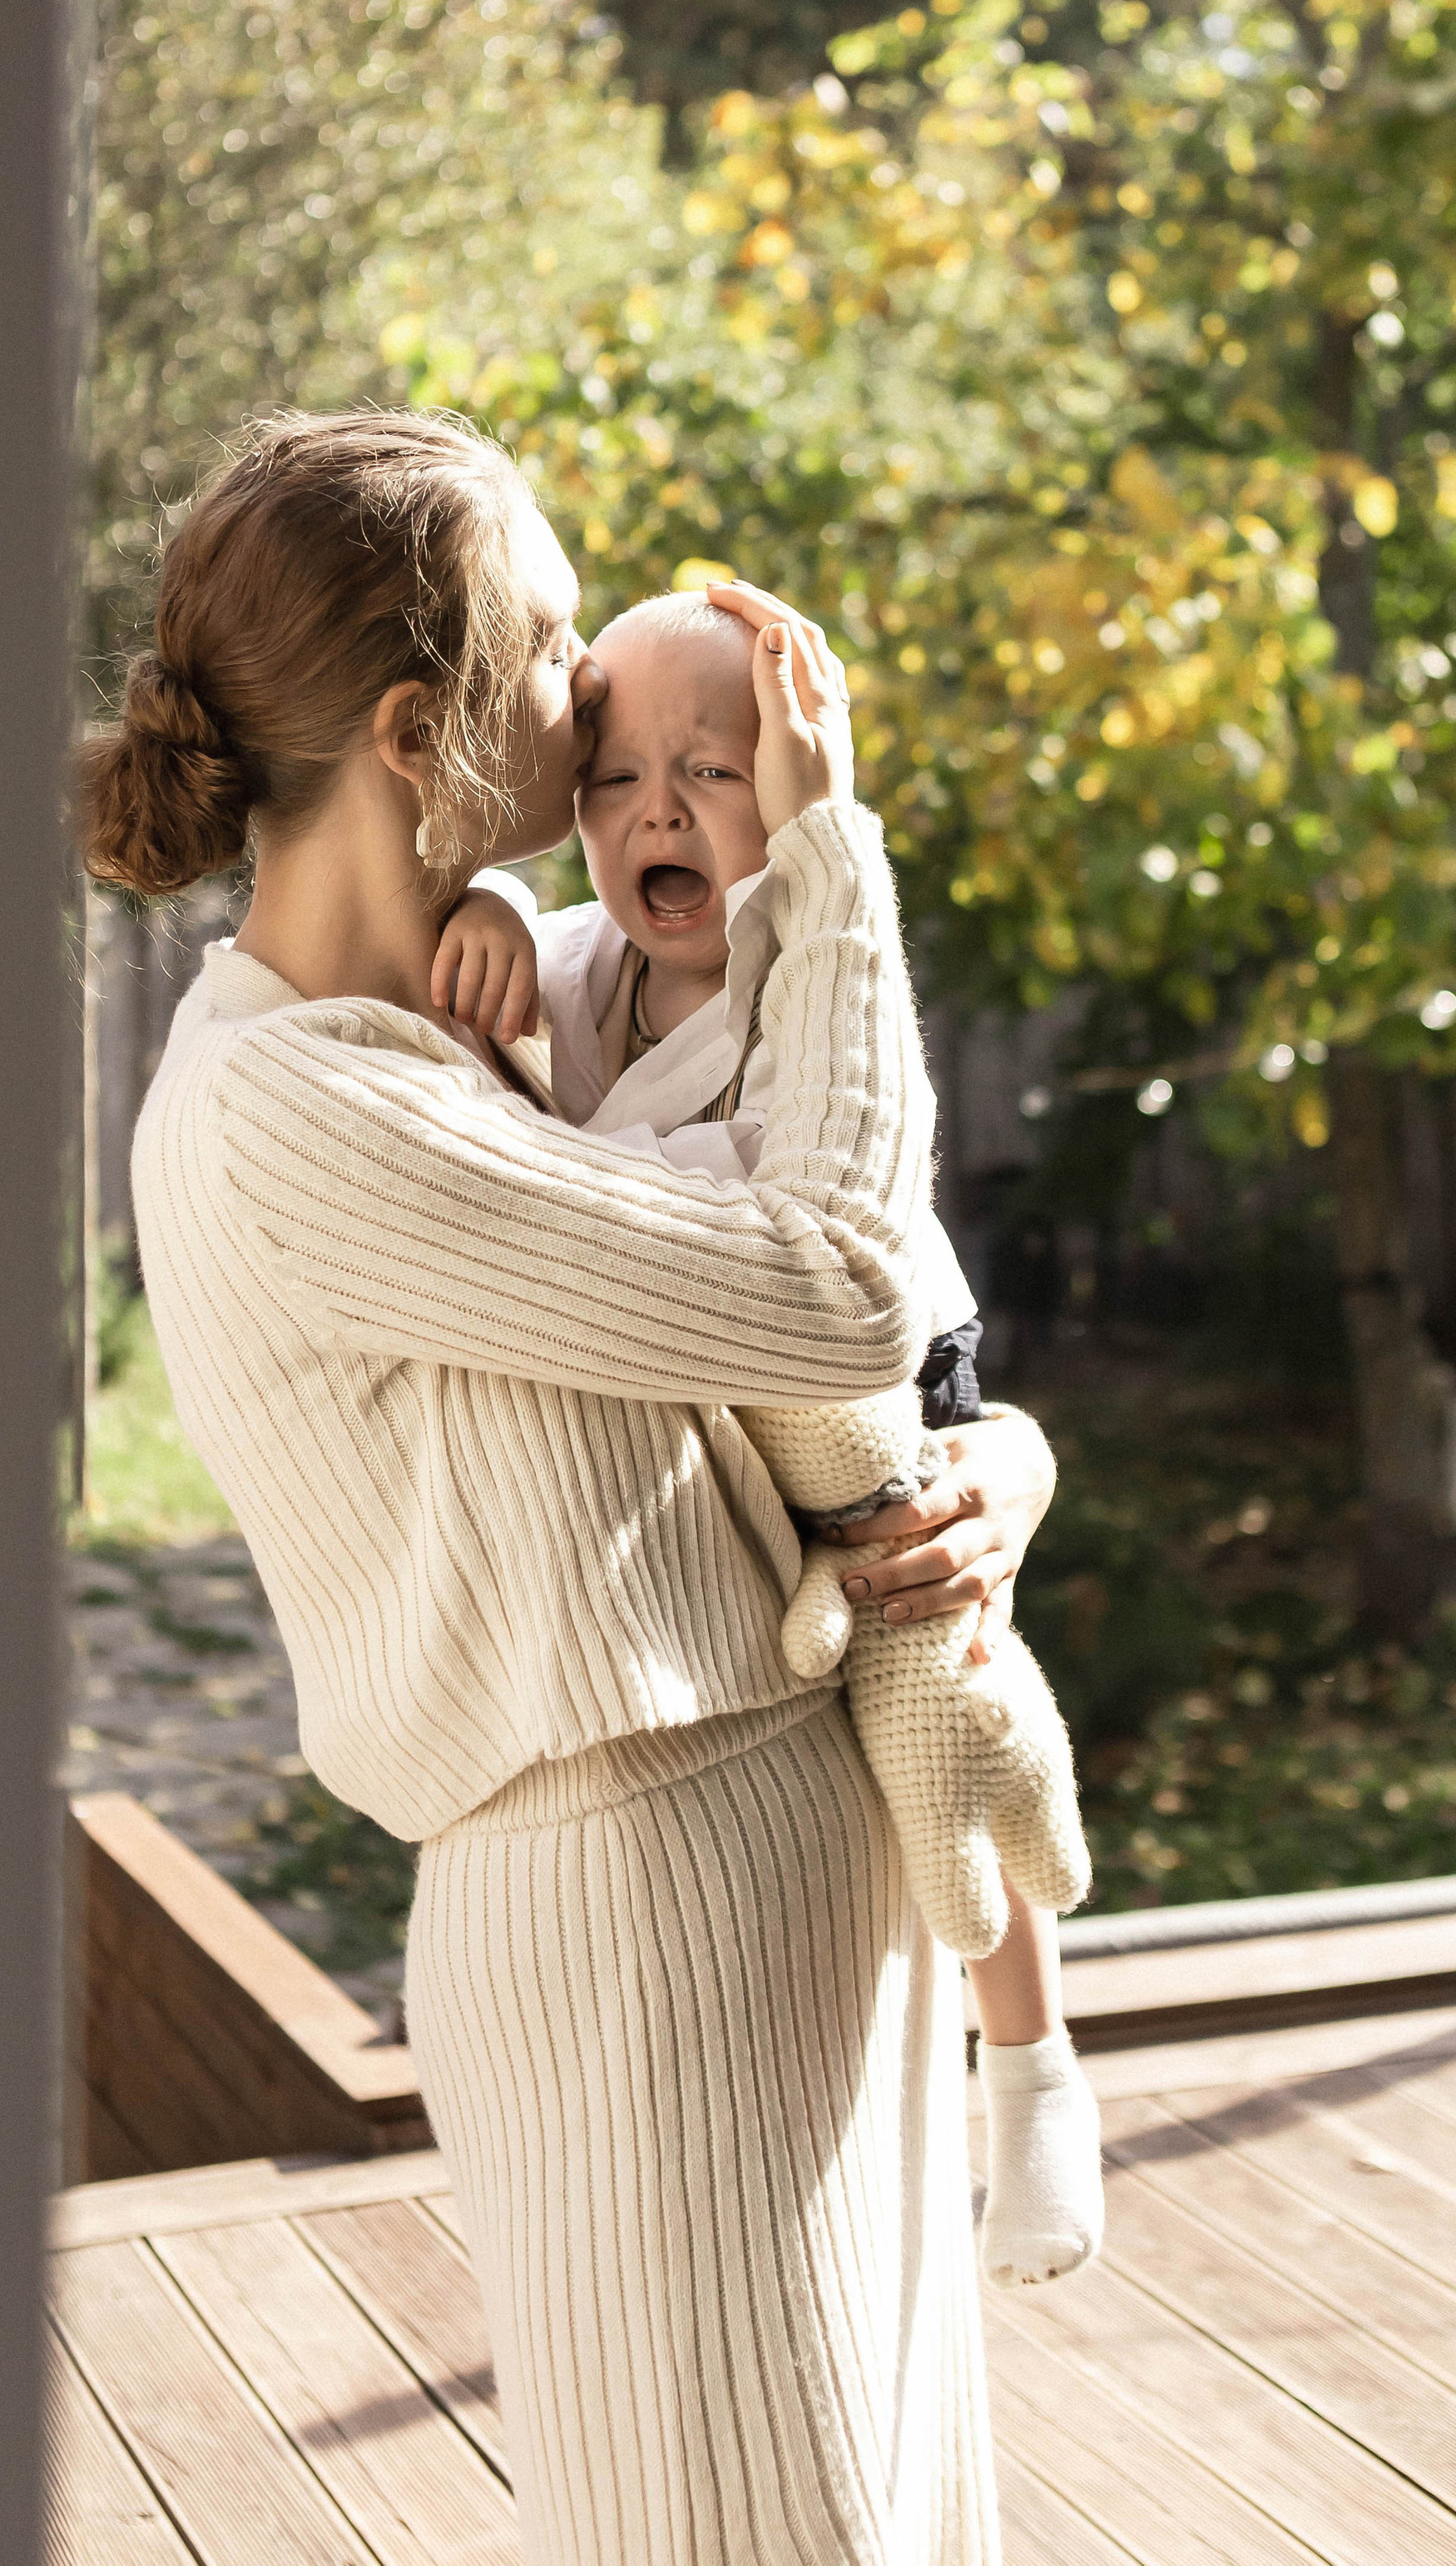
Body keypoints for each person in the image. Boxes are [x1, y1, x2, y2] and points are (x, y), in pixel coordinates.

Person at [83, 409, 1060, 2566]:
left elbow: (777, 1381)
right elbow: (832, 1285)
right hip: (644, 1931)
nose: (596, 697)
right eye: (554, 650)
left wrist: (1000, 1462)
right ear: (428, 727)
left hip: (785, 1866)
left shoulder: (471, 1032)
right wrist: (833, 867)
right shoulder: (292, 1117)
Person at [433, 587, 1104, 2291]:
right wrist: (490, 918)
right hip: (728, 1412)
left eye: (714, 772)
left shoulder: (804, 981)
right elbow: (520, 1128)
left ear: (794, 802)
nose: (654, 812)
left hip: (885, 1373)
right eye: (610, 781)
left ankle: (1028, 2065)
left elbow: (780, 1235)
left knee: (939, 1700)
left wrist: (1005, 1461)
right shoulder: (579, 973)